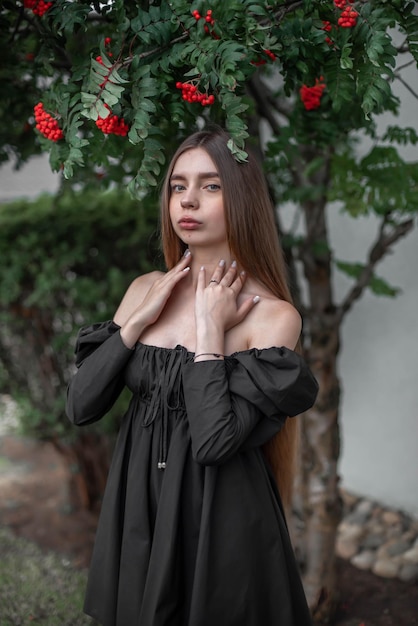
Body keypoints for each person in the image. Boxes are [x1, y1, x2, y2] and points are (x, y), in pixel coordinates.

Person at [66, 127, 318, 626]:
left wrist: (209, 330)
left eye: (210, 186)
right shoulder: (144, 289)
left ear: (241, 198)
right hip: (140, 504)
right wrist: (138, 320)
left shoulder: (274, 316)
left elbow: (213, 443)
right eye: (178, 186)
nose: (188, 200)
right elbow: (81, 406)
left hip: (219, 516)